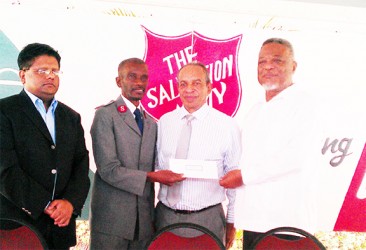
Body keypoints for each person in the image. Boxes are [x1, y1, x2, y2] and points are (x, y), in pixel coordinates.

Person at [220, 38, 322, 249]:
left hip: (287, 223)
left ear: (293, 66)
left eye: (277, 60)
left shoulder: (305, 104)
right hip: (253, 220)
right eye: (261, 61)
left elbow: (296, 157)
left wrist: (243, 176)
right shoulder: (255, 110)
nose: (267, 66)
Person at [0, 43, 90, 249]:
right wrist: (45, 204)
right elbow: (5, 169)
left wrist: (70, 203)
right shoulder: (5, 111)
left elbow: (80, 166)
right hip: (17, 226)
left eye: (54, 71)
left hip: (60, 226)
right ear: (23, 76)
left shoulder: (70, 117)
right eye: (42, 70)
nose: (50, 76)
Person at [89, 58, 183, 249]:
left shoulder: (151, 123)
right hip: (111, 221)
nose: (139, 83)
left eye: (144, 78)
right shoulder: (105, 116)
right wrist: (152, 177)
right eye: (132, 77)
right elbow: (108, 169)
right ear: (118, 81)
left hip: (144, 222)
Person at [155, 62, 241, 248]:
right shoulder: (164, 122)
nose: (189, 90)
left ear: (209, 87)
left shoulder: (227, 126)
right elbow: (157, 167)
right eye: (183, 84)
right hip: (165, 218)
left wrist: (231, 221)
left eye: (196, 83)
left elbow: (234, 179)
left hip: (207, 219)